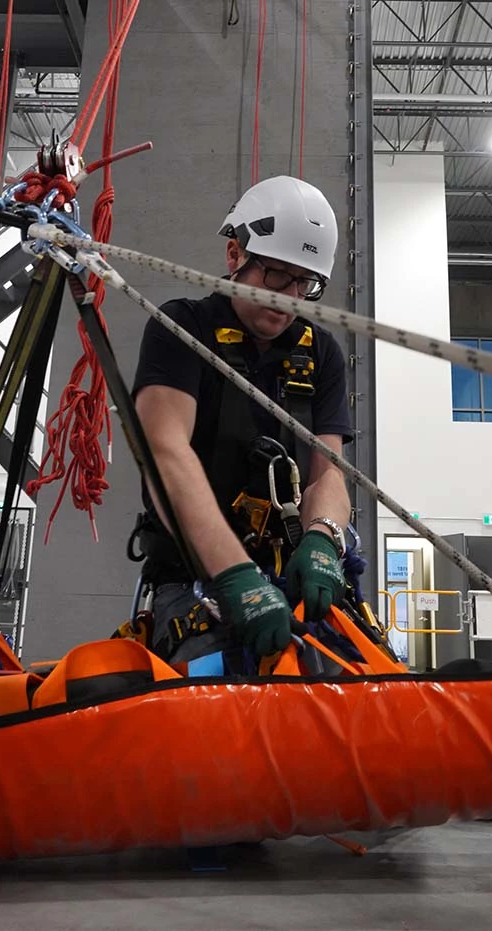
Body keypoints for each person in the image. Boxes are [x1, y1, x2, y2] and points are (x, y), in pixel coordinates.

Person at [131, 176, 353, 667]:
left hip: (289, 573)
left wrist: (321, 539)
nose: (291, 296)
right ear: (235, 255)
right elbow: (165, 454)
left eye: (306, 283)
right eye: (277, 276)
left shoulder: (319, 353)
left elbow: (329, 472)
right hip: (197, 581)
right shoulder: (183, 329)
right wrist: (234, 576)